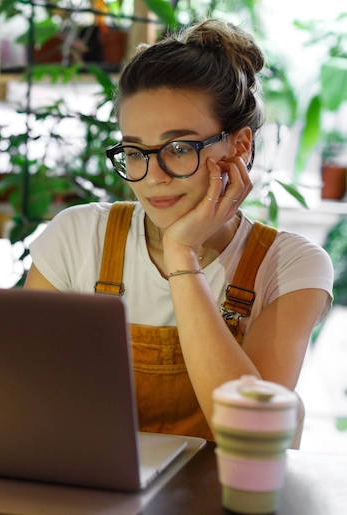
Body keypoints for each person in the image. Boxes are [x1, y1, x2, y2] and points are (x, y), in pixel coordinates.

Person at [24, 19, 334, 441]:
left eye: (179, 148)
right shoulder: (78, 235)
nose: (152, 176)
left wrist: (182, 255)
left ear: (239, 146)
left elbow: (253, 432)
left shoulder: (290, 266)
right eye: (135, 151)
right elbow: (26, 396)